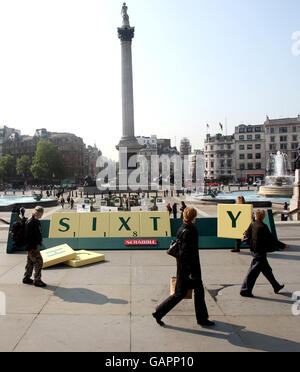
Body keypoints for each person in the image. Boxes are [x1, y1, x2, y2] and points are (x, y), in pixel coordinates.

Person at [152, 207, 215, 327]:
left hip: (183, 267)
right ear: (194, 217)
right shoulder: (191, 230)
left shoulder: (182, 228)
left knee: (184, 293)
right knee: (185, 293)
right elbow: (188, 253)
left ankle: (159, 312)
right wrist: (192, 272)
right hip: (189, 269)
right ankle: (201, 319)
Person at [240, 209, 289, 297]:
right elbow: (272, 239)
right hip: (260, 252)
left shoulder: (253, 223)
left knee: (267, 270)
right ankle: (245, 290)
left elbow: (248, 234)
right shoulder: (263, 226)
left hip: (254, 250)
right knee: (253, 272)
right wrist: (283, 245)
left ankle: (276, 286)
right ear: (263, 216)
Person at [23, 206, 47, 288]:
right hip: (32, 246)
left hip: (33, 245)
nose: (42, 215)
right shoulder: (31, 222)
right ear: (38, 213)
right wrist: (29, 248)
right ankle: (37, 280)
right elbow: (28, 237)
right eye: (41, 213)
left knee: (30, 262)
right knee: (39, 262)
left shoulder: (35, 221)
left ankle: (26, 277)